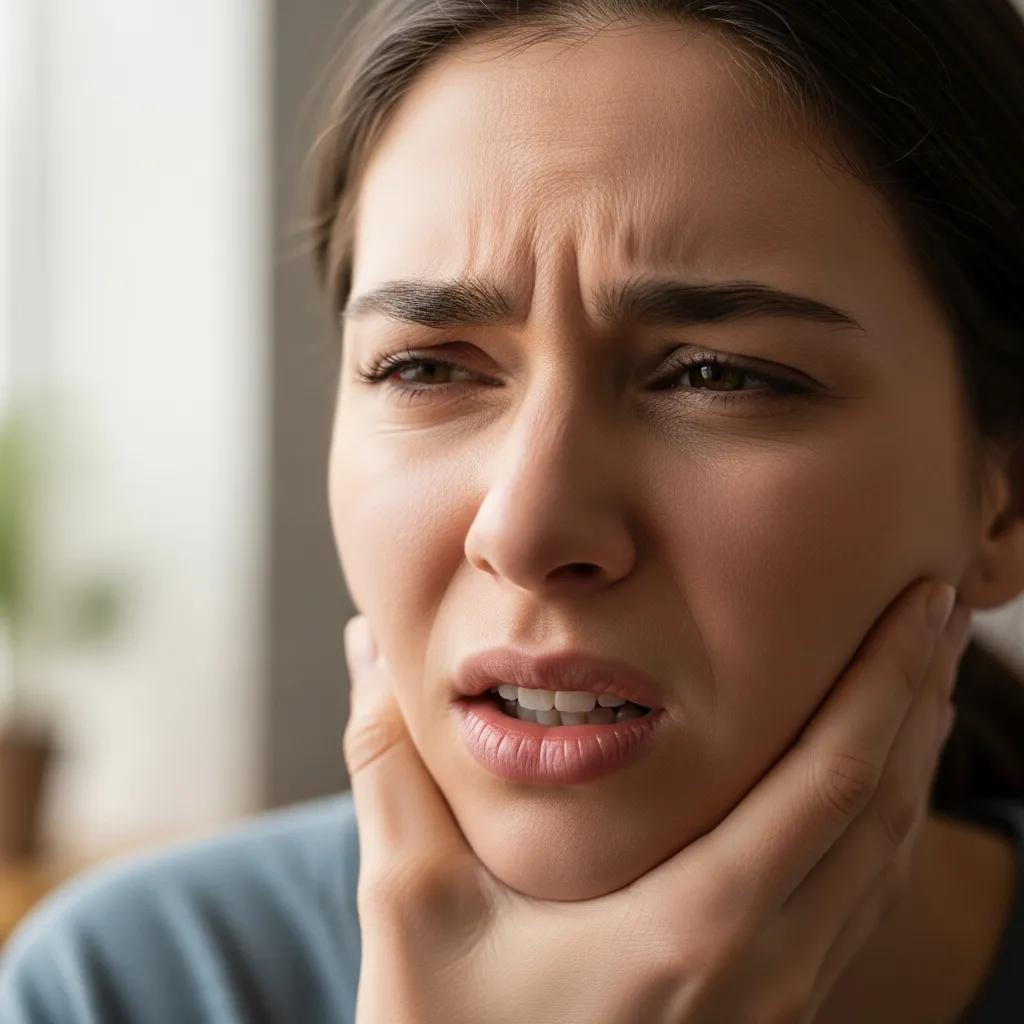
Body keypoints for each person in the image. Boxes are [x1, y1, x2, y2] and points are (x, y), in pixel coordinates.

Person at [3, 0, 1024, 1020]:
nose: (526, 530)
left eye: (715, 374)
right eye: (424, 367)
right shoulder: (121, 988)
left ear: (1005, 497)